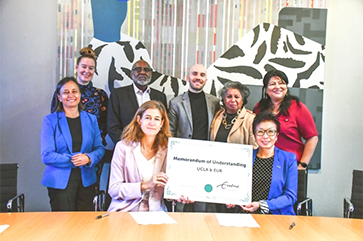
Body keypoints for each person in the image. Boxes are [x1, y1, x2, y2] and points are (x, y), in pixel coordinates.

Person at [41, 77, 105, 211]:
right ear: (59, 97)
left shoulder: (91, 119)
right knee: (63, 227)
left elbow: (99, 149)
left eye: (74, 91)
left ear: (80, 95)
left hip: (86, 181)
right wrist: (75, 159)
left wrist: (88, 158)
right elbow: (47, 155)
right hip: (59, 182)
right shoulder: (50, 121)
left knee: (84, 226)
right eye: (66, 92)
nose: (71, 95)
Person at [168, 64, 220, 213]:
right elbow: (170, 133)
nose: (198, 77)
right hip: (184, 159)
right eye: (195, 74)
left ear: (206, 79)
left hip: (207, 159)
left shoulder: (214, 102)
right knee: (183, 201)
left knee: (203, 201)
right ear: (187, 78)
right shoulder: (176, 103)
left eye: (202, 75)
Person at [107, 100, 170, 212]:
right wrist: (144, 185)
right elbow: (114, 189)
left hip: (155, 214)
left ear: (162, 123)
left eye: (157, 119)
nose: (152, 123)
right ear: (139, 120)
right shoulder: (122, 147)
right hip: (125, 211)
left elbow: (169, 191)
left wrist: (180, 195)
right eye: (147, 118)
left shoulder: (167, 150)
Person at [231, 111, 297, 215]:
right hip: (246, 213)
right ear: (254, 135)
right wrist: (232, 199)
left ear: (277, 136)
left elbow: (290, 196)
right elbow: (235, 187)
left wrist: (262, 205)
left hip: (275, 215)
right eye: (260, 132)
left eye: (271, 132)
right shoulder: (245, 157)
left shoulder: (288, 159)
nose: (265, 136)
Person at [253, 70, 318, 169]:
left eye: (281, 83)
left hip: (290, 166)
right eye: (272, 84)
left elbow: (312, 138)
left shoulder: (297, 107)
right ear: (266, 89)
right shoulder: (259, 108)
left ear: (286, 87)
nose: (277, 87)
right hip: (263, 165)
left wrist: (302, 165)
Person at [51, 47, 108, 146]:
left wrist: (97, 140)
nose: (87, 71)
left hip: (93, 147)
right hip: (66, 145)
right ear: (77, 67)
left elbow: (106, 123)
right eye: (84, 66)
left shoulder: (100, 94)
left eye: (91, 68)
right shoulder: (63, 92)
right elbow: (55, 117)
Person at [107, 60, 167, 145]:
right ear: (131, 74)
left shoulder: (160, 97)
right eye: (138, 69)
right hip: (126, 149)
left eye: (146, 70)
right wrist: (128, 145)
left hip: (153, 149)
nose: (142, 72)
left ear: (151, 74)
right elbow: (112, 126)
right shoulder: (118, 95)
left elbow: (163, 125)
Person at [210, 81, 257, 148]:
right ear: (224, 99)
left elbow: (255, 148)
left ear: (242, 100)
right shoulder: (218, 115)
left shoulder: (251, 119)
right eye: (229, 96)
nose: (233, 100)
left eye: (237, 97)